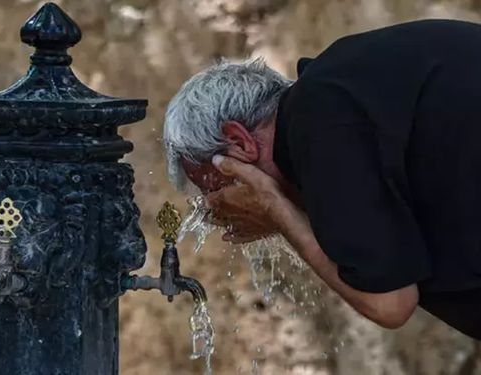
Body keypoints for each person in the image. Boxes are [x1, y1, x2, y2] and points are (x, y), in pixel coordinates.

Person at [163, 19, 481, 340]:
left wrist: (276, 209)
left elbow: (390, 303)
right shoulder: (343, 92)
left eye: (217, 189)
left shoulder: (319, 122)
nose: (224, 211)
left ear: (240, 142)